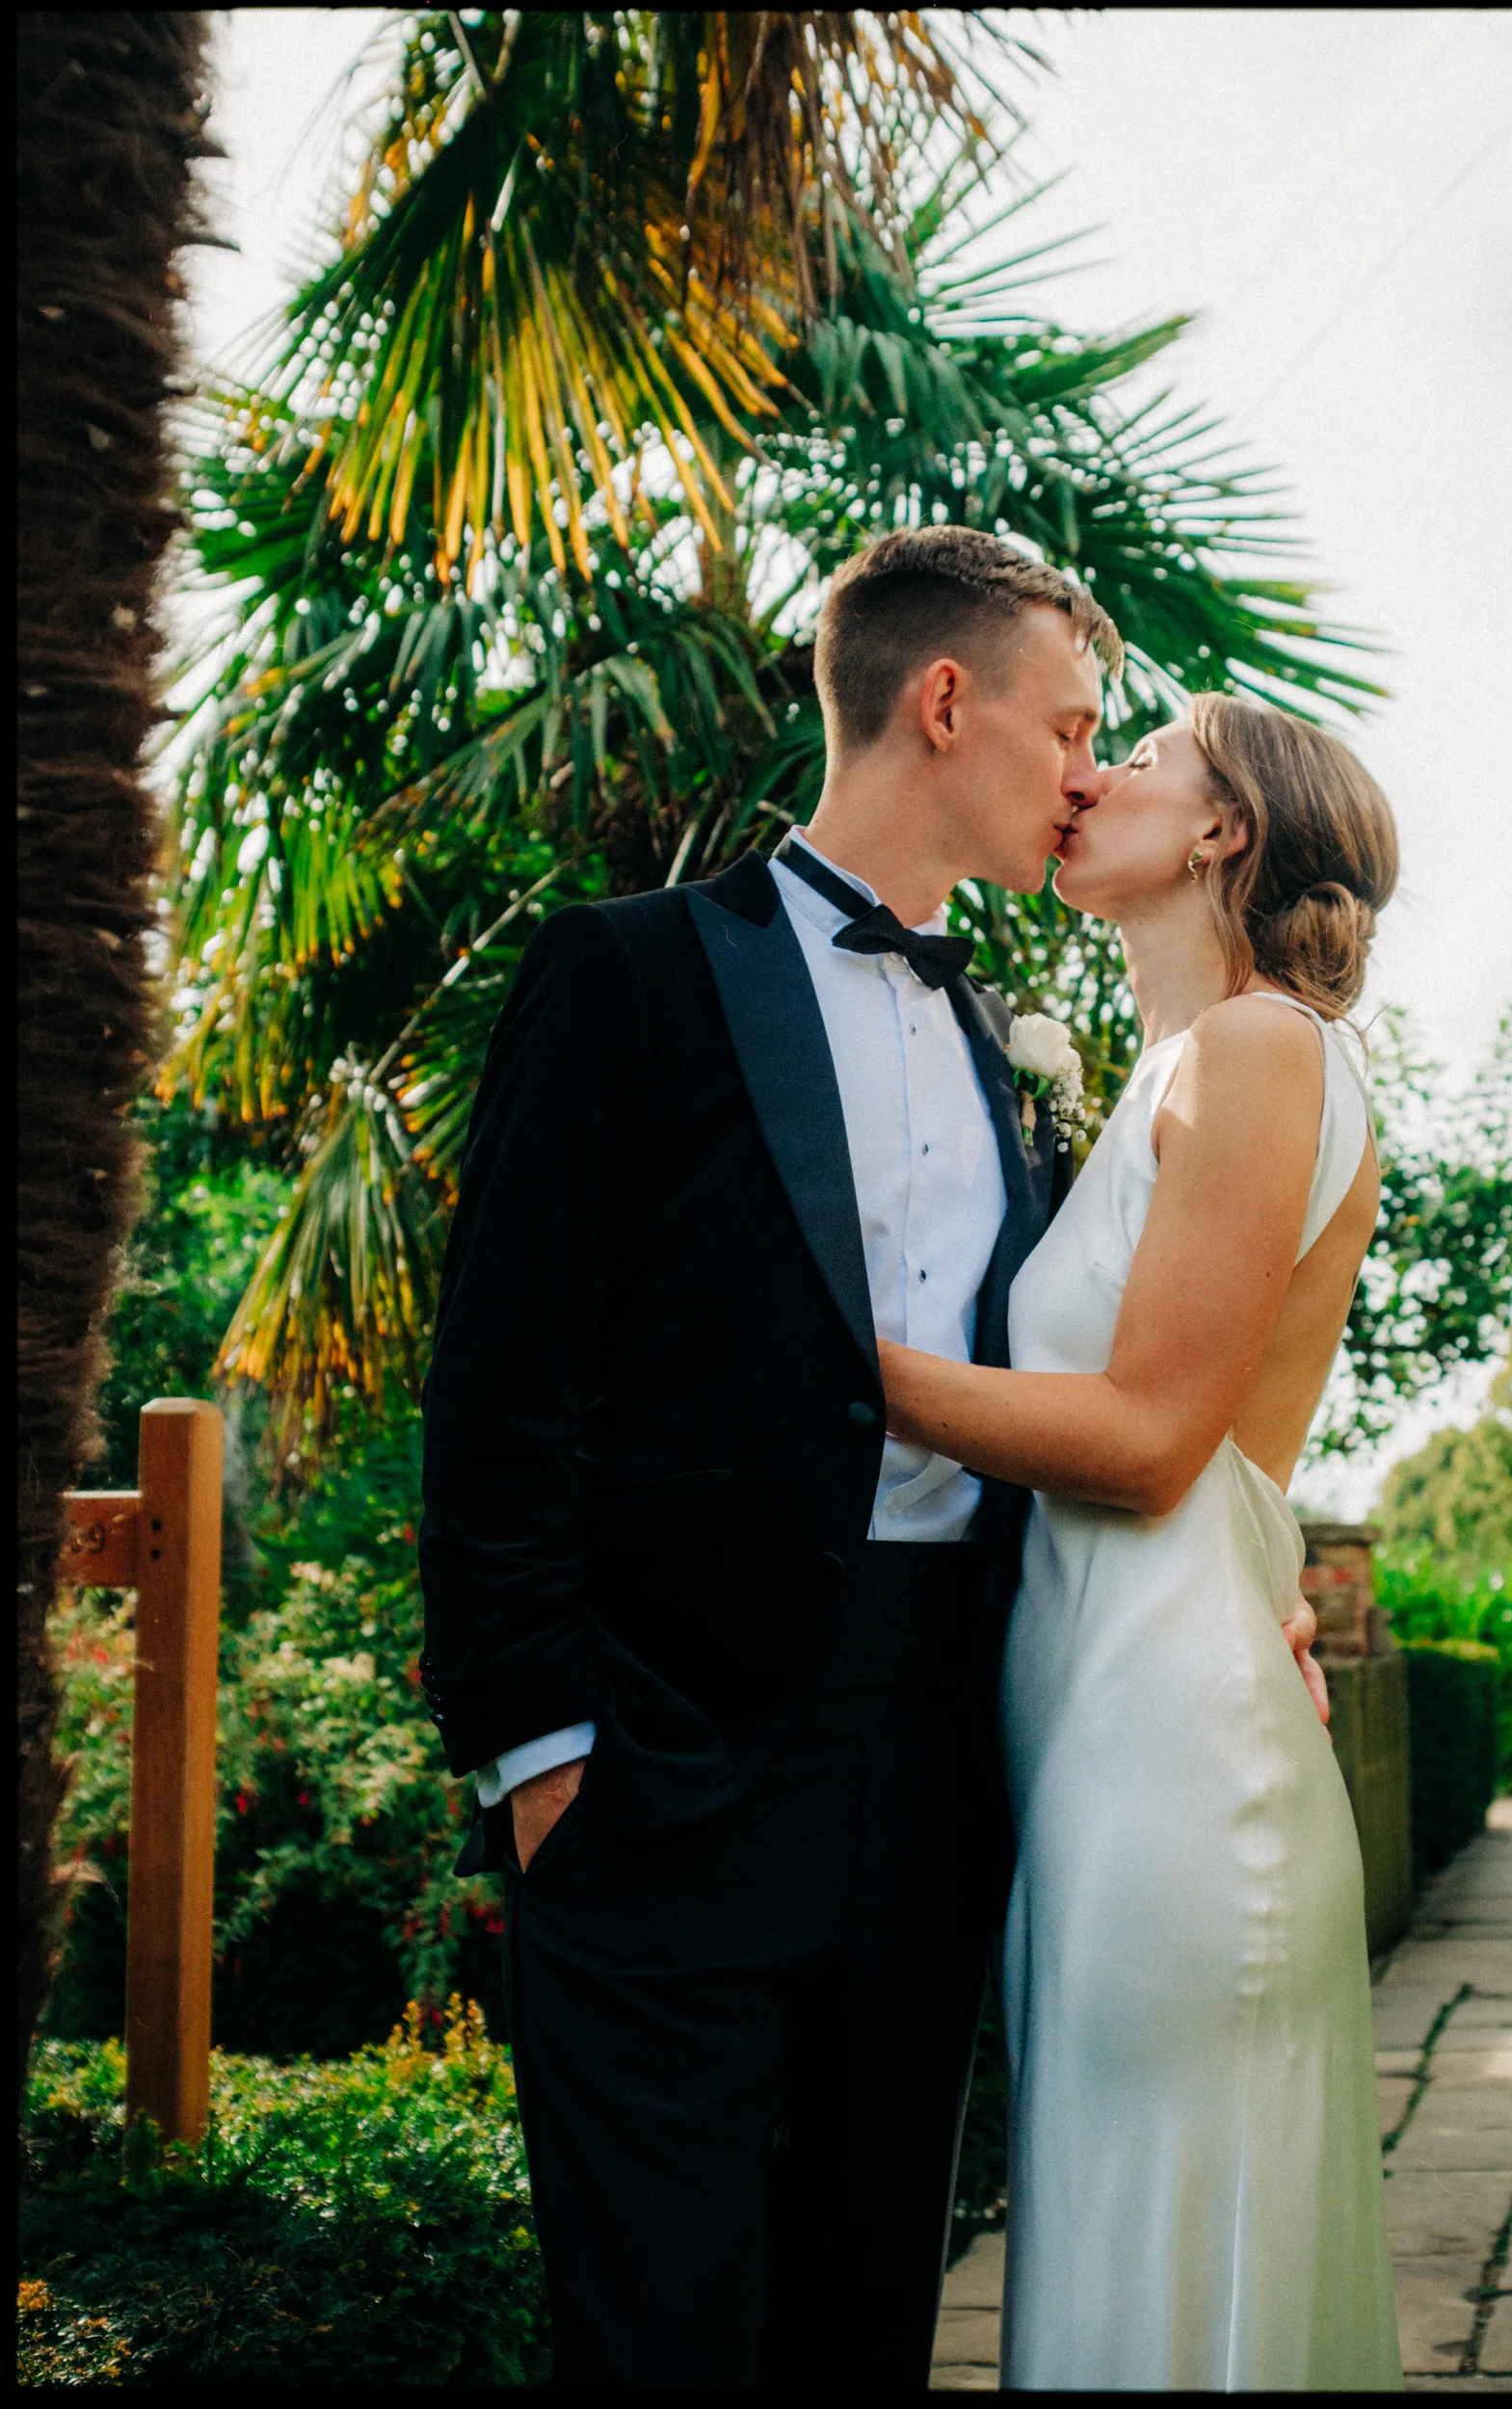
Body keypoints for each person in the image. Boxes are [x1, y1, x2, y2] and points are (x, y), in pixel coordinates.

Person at [416, 523, 1330, 2386]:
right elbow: (501, 1388)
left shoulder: (1008, 1049)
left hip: (941, 1771)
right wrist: (543, 1750)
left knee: (864, 2324)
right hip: (660, 1776)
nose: (1089, 771)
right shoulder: (628, 975)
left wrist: (1250, 1594)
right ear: (943, 704)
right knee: (656, 2332)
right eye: (1073, 726)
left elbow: (1124, 1394)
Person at [879, 695, 1407, 2391]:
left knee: (1168, 2267)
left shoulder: (1263, 1046)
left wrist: (822, 1352)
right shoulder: (1178, 1070)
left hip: (1179, 1759)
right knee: (1126, 2253)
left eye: (1142, 758)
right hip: (1107, 1728)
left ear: (1221, 832)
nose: (1087, 776)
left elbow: (1154, 1442)